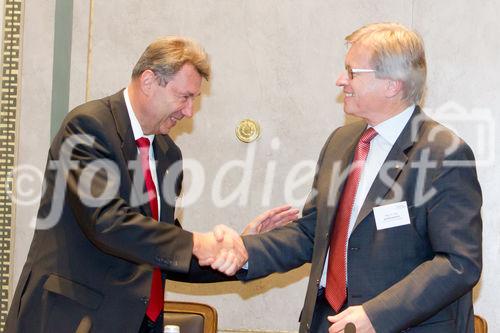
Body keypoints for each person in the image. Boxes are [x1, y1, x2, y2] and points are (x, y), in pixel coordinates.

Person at [5, 37, 297, 333]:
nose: (189, 112)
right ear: (148, 81)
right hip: (70, 320)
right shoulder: (87, 127)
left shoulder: (168, 155)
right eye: (184, 97)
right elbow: (106, 221)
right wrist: (197, 242)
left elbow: (162, 247)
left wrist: (235, 251)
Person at [225, 23, 482, 332]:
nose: (340, 80)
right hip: (326, 321)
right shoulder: (341, 142)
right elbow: (313, 234)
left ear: (392, 84)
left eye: (352, 72)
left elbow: (458, 263)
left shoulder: (444, 152)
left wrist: (377, 315)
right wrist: (246, 251)